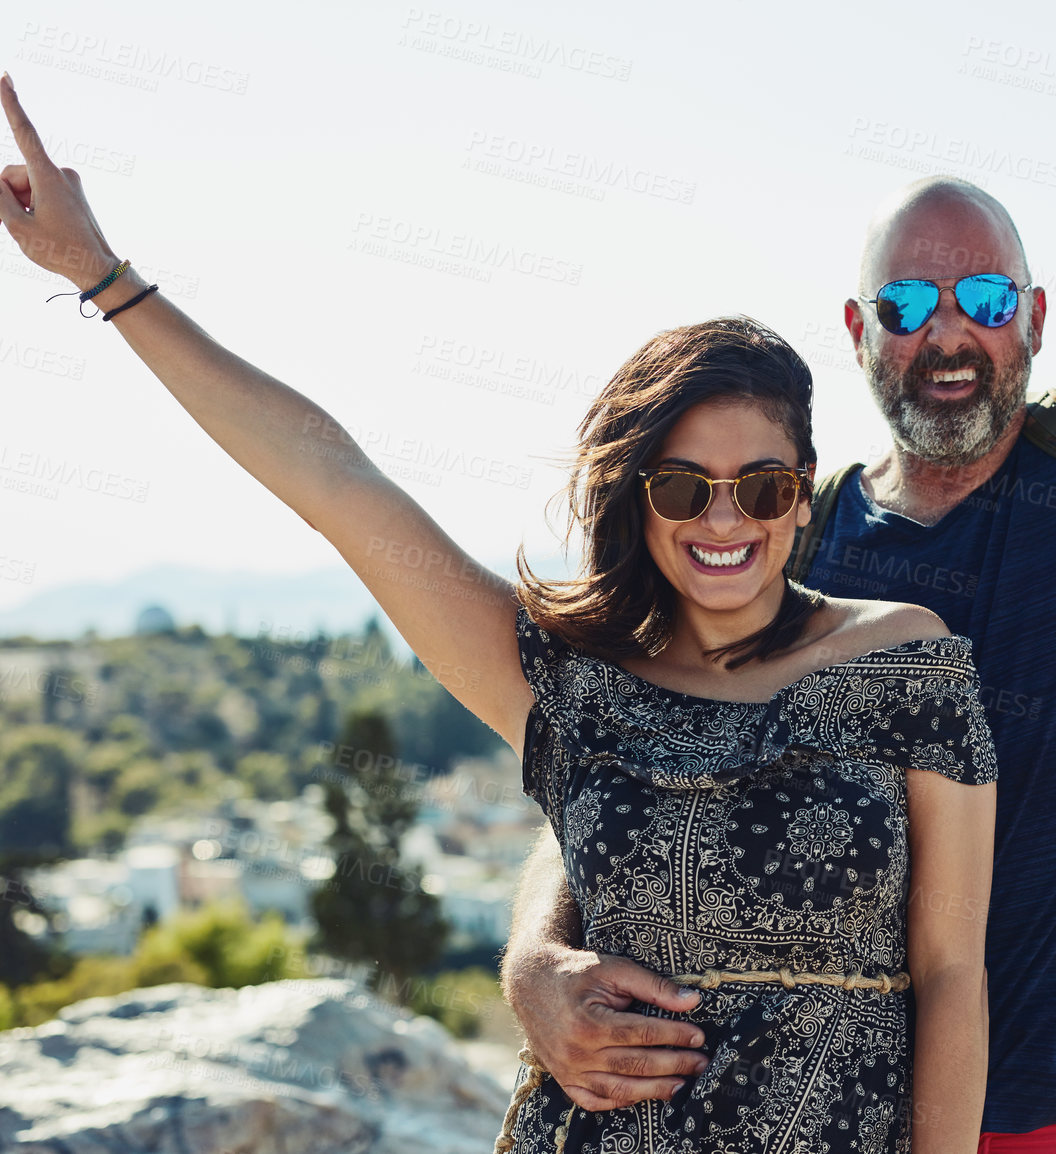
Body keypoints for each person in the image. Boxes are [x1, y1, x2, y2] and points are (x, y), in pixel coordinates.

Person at [0, 72, 997, 1154]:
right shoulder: (572, 683)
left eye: (759, 484)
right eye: (680, 485)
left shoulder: (905, 662)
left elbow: (949, 973)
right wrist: (99, 272)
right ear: (637, 500)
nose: (724, 517)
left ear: (801, 491)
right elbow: (339, 482)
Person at [498, 2, 1056, 1150]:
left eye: (982, 300)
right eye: (911, 306)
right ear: (861, 328)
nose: (951, 334)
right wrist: (536, 958)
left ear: (1030, 316)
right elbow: (613, 752)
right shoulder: (783, 538)